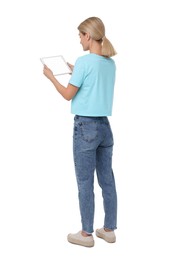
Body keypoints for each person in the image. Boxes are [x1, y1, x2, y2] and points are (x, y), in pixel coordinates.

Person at [42, 16, 117, 247]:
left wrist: (51, 77)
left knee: (85, 182)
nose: (79, 40)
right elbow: (93, 81)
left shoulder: (84, 62)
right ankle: (109, 229)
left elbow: (68, 94)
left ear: (88, 35)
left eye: (80, 35)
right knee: (107, 180)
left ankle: (85, 234)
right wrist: (76, 70)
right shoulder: (109, 63)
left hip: (85, 127)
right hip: (105, 128)